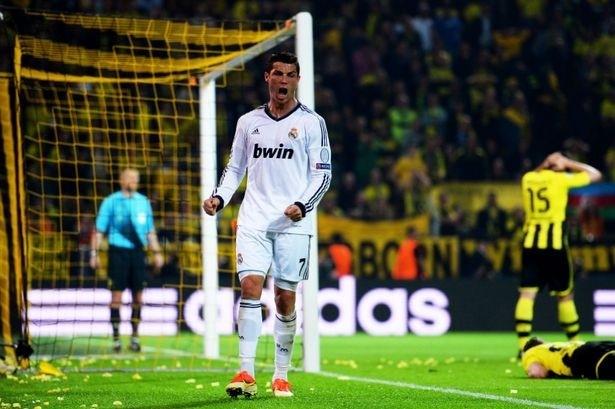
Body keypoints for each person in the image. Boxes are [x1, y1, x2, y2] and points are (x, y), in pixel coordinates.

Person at [202, 51, 331, 399]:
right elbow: (235, 168)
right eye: (278, 73)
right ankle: (245, 371)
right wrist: (219, 198)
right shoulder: (248, 122)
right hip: (254, 219)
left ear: (297, 80)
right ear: (267, 78)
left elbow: (322, 175)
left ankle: (281, 374)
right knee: (250, 288)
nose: (283, 80)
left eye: (290, 74)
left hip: (292, 223)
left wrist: (303, 205)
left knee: (285, 299)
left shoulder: (312, 123)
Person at [514, 152, 602, 353]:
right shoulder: (561, 179)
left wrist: (547, 162)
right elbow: (595, 174)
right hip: (555, 245)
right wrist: (568, 162)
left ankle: (522, 346)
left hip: (531, 243)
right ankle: (575, 343)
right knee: (565, 295)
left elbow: (536, 172)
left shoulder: (528, 178)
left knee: (527, 293)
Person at [90, 168, 164, 353]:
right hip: (117, 253)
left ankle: (135, 337)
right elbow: (99, 230)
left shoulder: (143, 202)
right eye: (129, 178)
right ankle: (116, 338)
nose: (133, 181)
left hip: (138, 253)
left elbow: (150, 232)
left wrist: (157, 253)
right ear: (121, 180)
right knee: (116, 296)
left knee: (138, 296)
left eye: (136, 178)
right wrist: (94, 253)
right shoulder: (110, 202)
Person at [522, 337, 615, 380]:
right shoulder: (549, 346)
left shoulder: (529, 353)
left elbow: (538, 372)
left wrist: (530, 373)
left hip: (581, 358)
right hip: (592, 344)